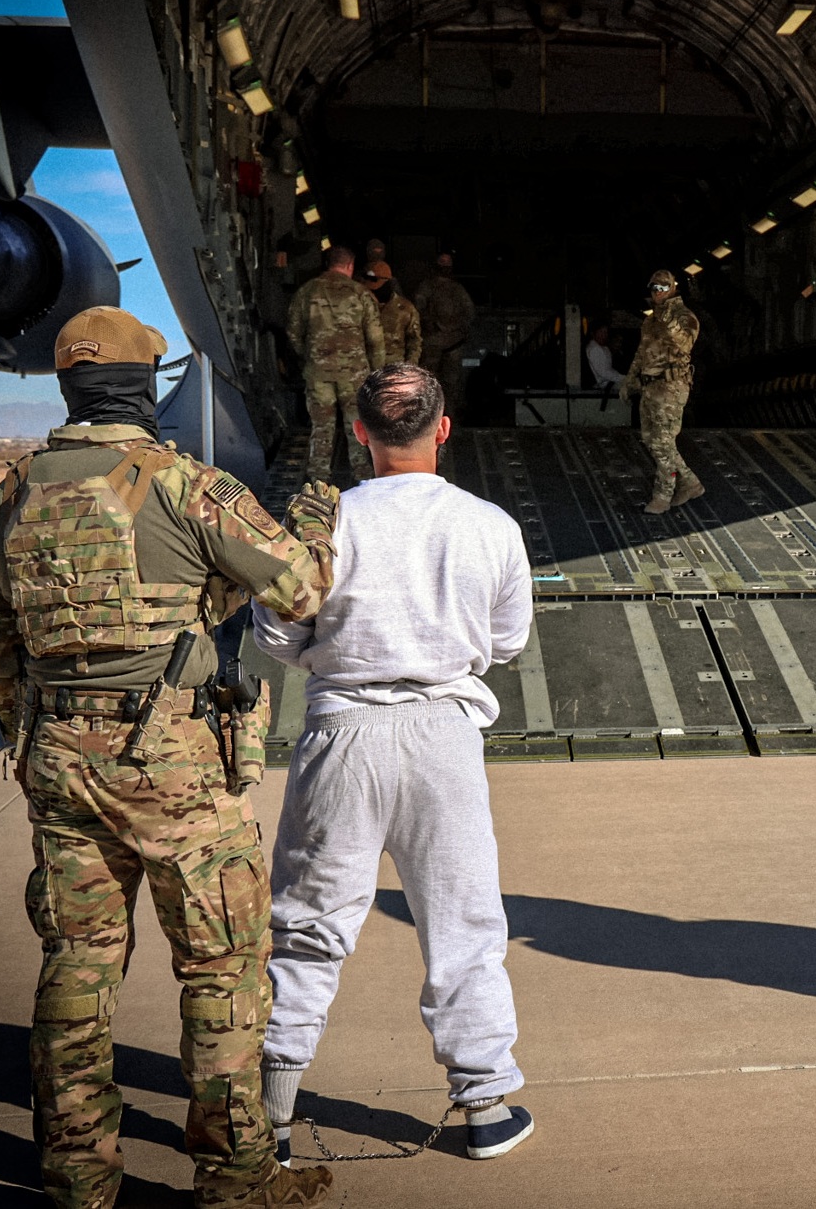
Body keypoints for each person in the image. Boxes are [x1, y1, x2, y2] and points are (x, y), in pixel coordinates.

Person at [0, 306, 338, 1208]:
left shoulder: (1, 499)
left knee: (78, 962)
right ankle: (237, 1178)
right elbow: (302, 584)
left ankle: (78, 1176)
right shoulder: (185, 485)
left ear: (70, 387)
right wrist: (317, 511)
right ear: (143, 388)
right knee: (220, 964)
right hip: (175, 769)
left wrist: (38, 726)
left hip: (58, 759)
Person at [253, 363, 537, 1163]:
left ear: (359, 433)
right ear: (444, 428)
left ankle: (270, 1112)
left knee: (308, 926)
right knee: (463, 925)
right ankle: (483, 1106)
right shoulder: (490, 526)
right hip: (445, 737)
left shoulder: (323, 524)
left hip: (341, 732)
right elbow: (508, 640)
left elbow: (276, 637)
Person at [288, 245, 384, 484]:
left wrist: (310, 357)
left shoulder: (307, 291)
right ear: (350, 266)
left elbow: (293, 332)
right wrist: (376, 373)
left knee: (321, 426)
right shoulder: (361, 294)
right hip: (354, 374)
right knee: (357, 426)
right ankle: (362, 477)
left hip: (318, 373)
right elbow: (375, 338)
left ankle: (318, 480)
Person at [621, 269, 702, 513]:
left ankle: (663, 495)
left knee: (663, 442)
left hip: (671, 386)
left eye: (663, 288)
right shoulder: (650, 320)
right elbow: (641, 352)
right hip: (651, 386)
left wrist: (667, 318)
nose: (658, 293)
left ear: (673, 289)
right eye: (655, 288)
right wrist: (630, 380)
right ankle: (690, 482)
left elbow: (684, 343)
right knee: (651, 440)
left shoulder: (684, 317)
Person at [413, 252, 475, 419]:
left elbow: (469, 313)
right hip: (433, 342)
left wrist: (458, 330)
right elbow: (418, 308)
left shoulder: (457, 289)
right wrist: (430, 323)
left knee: (451, 384)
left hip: (452, 343)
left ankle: (449, 418)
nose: (444, 267)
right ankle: (427, 418)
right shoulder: (427, 286)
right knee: (428, 381)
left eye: (447, 264)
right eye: (442, 263)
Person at [367, 260, 422, 364]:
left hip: (395, 368)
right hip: (367, 368)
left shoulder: (405, 308)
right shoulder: (361, 305)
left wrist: (410, 367)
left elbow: (414, 341)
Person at [586, 323, 624, 392]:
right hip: (604, 385)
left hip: (609, 382)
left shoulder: (604, 348)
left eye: (605, 332)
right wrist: (623, 379)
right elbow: (604, 372)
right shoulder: (594, 348)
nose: (604, 335)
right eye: (601, 332)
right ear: (593, 333)